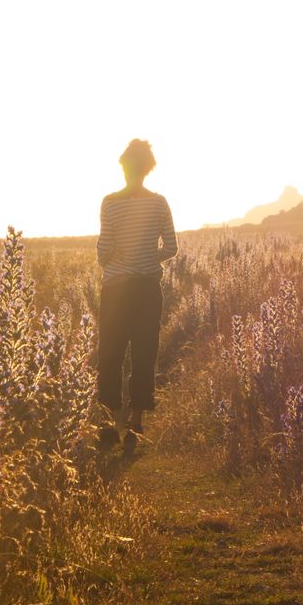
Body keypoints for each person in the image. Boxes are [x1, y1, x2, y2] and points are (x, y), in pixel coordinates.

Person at [96, 139, 178, 455]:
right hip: (146, 289)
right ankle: (136, 424)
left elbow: (104, 251)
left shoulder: (110, 202)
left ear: (123, 166)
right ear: (148, 168)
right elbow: (171, 247)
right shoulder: (159, 203)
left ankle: (110, 422)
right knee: (145, 353)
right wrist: (147, 256)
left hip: (116, 289)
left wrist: (119, 256)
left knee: (111, 353)